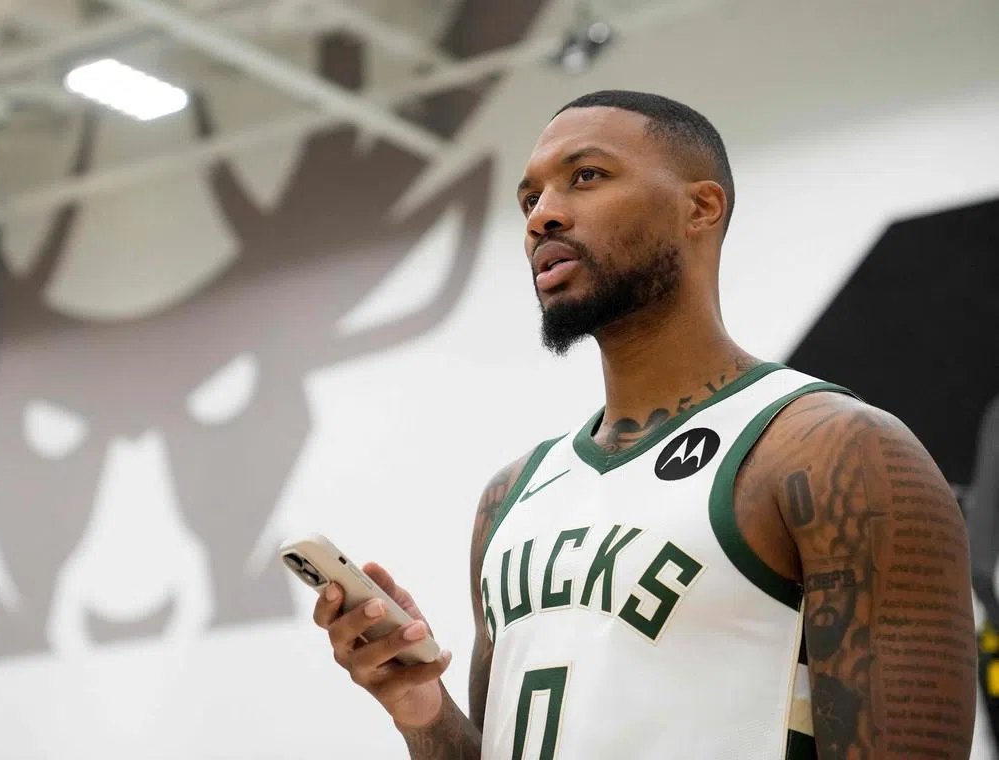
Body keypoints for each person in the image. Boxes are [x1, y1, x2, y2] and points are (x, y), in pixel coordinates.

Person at [311, 90, 977, 759]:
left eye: (586, 176)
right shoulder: (509, 497)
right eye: (528, 199)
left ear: (700, 207)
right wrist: (420, 708)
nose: (543, 216)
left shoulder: (835, 450)